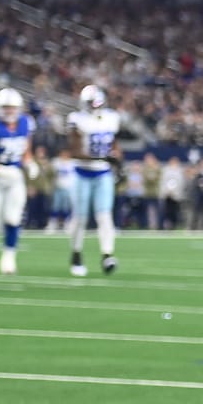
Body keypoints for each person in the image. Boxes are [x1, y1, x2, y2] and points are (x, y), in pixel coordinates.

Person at [0, 88, 38, 275]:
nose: (9, 112)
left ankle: (8, 259)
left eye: (12, 108)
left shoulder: (26, 123)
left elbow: (25, 150)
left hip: (15, 176)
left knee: (13, 217)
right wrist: (0, 170)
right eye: (5, 108)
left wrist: (29, 163)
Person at [67, 85, 122, 276]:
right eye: (92, 102)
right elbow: (74, 151)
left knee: (104, 216)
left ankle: (107, 254)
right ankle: (76, 253)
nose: (95, 106)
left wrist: (117, 161)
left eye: (98, 102)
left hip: (103, 173)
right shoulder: (77, 120)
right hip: (82, 173)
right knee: (80, 218)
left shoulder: (110, 118)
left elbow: (114, 143)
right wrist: (101, 158)